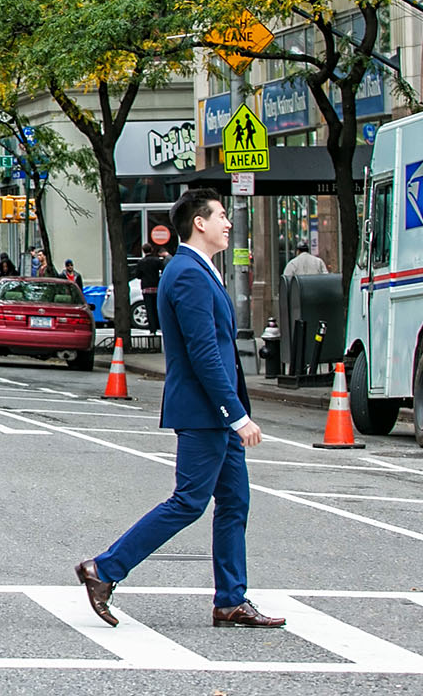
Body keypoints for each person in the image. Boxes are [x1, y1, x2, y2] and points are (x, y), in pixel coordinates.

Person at [77, 188, 284, 631]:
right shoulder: (187, 273)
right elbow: (204, 352)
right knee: (189, 501)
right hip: (204, 412)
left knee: (234, 503)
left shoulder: (199, 270)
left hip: (212, 413)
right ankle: (104, 569)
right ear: (199, 223)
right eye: (221, 216)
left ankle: (230, 601)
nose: (228, 223)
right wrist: (237, 415)